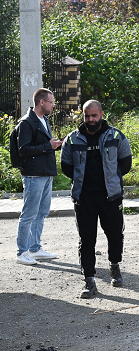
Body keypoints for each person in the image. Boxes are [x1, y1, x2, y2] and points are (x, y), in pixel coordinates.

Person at [60, 100, 132, 299]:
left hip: (110, 196)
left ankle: (114, 265)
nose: (90, 120)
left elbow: (125, 163)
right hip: (84, 198)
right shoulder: (73, 139)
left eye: (94, 115)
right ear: (82, 116)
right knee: (87, 240)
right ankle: (89, 281)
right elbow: (66, 167)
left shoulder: (116, 136)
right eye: (86, 116)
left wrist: (110, 180)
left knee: (115, 234)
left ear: (101, 114)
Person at [15, 88, 63, 265]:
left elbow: (44, 145)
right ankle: (22, 252)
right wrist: (47, 146)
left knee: (41, 212)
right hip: (33, 175)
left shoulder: (44, 120)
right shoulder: (27, 122)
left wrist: (54, 145)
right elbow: (23, 149)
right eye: (51, 102)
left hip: (45, 172)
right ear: (41, 102)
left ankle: (35, 249)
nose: (53, 105)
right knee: (29, 214)